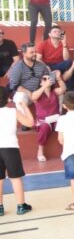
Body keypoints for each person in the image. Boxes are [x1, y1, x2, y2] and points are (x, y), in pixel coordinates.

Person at [0, 87, 34, 216]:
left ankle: (0, 207)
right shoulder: (13, 111)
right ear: (8, 98)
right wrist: (24, 106)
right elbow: (30, 122)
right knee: (15, 178)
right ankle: (21, 206)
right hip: (10, 148)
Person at [32, 73, 64, 162]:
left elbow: (63, 89)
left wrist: (59, 79)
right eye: (44, 79)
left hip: (55, 118)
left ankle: (65, 149)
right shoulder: (37, 93)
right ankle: (40, 150)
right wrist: (44, 86)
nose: (47, 80)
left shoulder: (54, 92)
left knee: (63, 124)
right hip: (43, 120)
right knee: (45, 126)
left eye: (48, 78)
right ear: (40, 83)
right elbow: (33, 97)